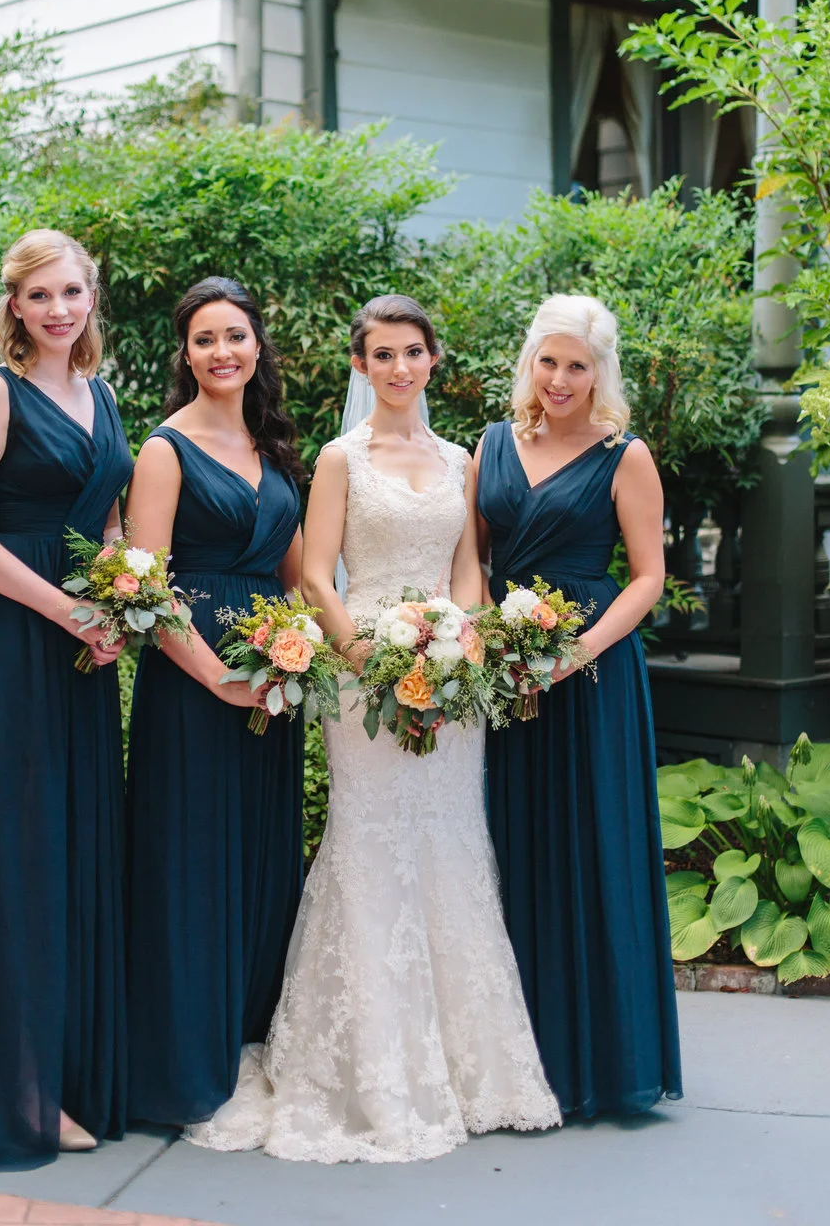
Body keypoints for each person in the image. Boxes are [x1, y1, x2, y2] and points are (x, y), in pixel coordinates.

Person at [187, 294, 560, 1163]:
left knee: (451, 843)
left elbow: (470, 566)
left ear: (434, 361)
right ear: (361, 366)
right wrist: (367, 660)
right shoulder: (337, 458)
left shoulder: (461, 458)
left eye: (413, 353)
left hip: (450, 679)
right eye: (382, 355)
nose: (399, 369)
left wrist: (459, 644)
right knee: (370, 843)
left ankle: (471, 1069)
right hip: (365, 680)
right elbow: (317, 575)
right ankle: (367, 1064)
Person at [0, 229, 132, 1170]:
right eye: (39, 295)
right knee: (19, 855)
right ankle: (14, 1096)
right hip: (10, 638)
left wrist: (126, 595)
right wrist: (63, 608)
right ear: (13, 306)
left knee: (75, 850)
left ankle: (66, 1075)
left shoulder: (104, 397)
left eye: (72, 293)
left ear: (91, 300)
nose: (57, 310)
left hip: (84, 646)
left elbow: (112, 518)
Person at [475, 293, 682, 1119]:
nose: (559, 379)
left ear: (601, 372)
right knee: (510, 840)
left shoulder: (624, 456)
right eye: (548, 361)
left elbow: (648, 577)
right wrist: (479, 640)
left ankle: (602, 1056)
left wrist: (575, 654)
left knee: (593, 843)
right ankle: (519, 1060)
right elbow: (471, 561)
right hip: (503, 677)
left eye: (577, 365)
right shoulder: (490, 446)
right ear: (530, 361)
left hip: (591, 675)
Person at [125, 277, 304, 1128]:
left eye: (236, 335)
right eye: (205, 339)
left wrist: (295, 656)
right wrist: (217, 679)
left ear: (257, 345)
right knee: (190, 861)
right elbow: (147, 590)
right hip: (193, 691)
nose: (223, 352)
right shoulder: (164, 449)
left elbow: (298, 577)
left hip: (274, 689)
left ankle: (246, 1035)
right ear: (185, 354)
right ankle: (178, 1057)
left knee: (261, 859)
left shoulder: (275, 449)